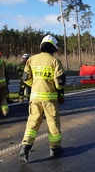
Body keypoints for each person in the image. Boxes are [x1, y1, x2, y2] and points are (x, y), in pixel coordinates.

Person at [19, 35, 66, 164]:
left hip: (34, 98)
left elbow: (25, 78)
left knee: (33, 122)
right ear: (54, 47)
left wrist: (34, 85)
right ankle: (55, 148)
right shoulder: (55, 61)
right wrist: (58, 90)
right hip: (50, 99)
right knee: (53, 123)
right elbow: (60, 82)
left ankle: (25, 147)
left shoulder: (31, 60)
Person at [0, 50, 9, 116]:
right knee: (3, 97)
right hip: (3, 83)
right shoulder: (2, 61)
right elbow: (5, 71)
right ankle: (5, 111)